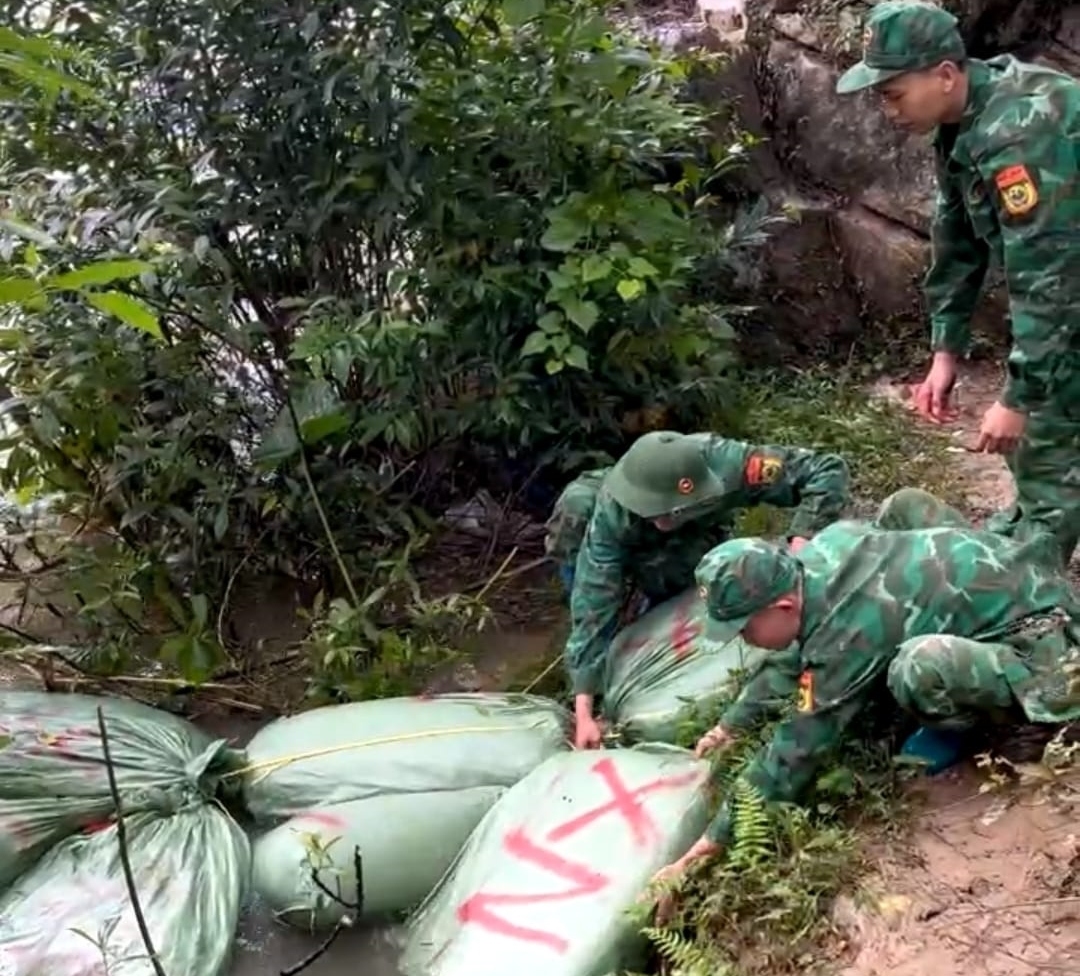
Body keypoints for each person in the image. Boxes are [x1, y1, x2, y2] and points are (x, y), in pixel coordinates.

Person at [648, 486, 1080, 899]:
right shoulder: (822, 551)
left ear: (783, 606)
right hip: (1016, 568)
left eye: (745, 628)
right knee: (903, 505)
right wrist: (732, 725)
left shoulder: (847, 637)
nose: (747, 641)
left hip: (1045, 642)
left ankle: (972, 724)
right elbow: (788, 656)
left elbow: (795, 751)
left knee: (916, 669)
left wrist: (710, 843)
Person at [835, 1, 1080, 568]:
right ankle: (1034, 520)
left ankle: (1028, 586)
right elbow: (957, 237)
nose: (886, 108)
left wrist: (1017, 398)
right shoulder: (963, 118)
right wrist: (946, 349)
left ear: (945, 74)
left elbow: (1052, 280)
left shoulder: (1019, 136)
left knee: (1045, 425)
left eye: (892, 93)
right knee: (1045, 432)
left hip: (1064, 282)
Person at [543, 429, 851, 749]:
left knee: (685, 577)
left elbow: (826, 470)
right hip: (621, 519)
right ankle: (594, 670)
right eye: (655, 513)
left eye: (670, 512)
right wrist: (583, 712)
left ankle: (671, 612)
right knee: (579, 512)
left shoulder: (730, 465)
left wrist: (802, 544)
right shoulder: (614, 512)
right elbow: (594, 598)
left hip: (696, 533)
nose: (662, 522)